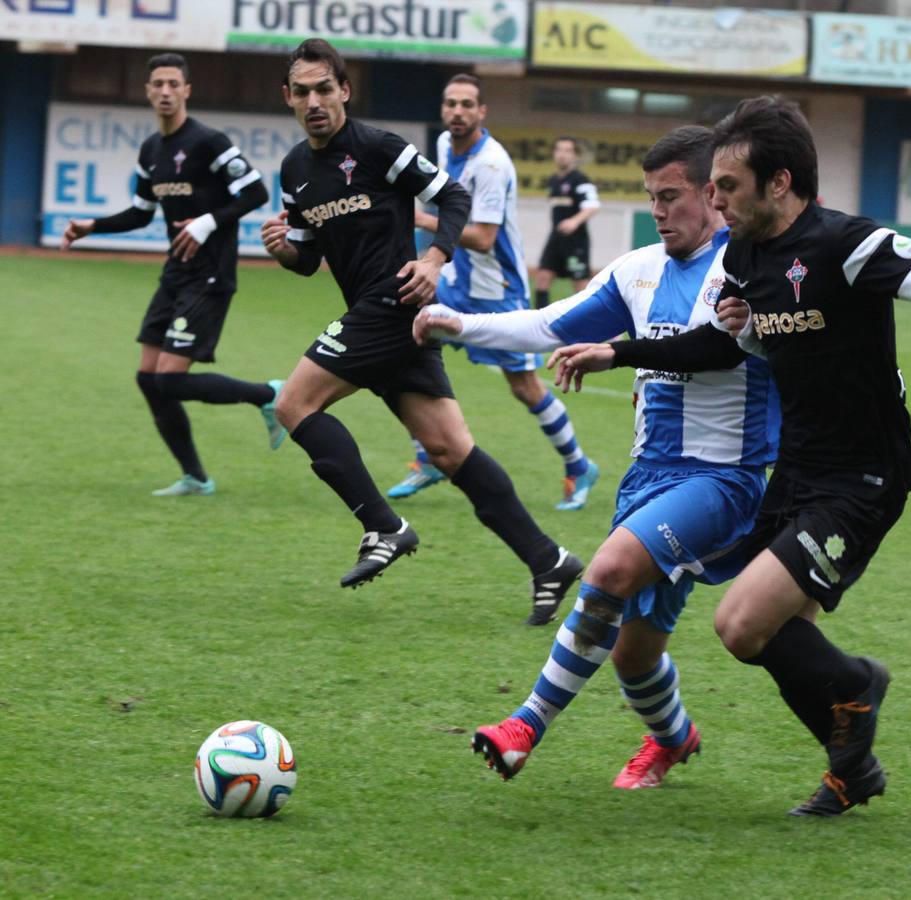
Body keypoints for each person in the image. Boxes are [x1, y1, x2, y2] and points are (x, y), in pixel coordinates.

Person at [549, 96, 911, 815]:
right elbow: (715, 345)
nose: (714, 198)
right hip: (793, 472)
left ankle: (859, 685)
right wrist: (619, 353)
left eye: (727, 186)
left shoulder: (846, 244)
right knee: (781, 634)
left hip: (863, 475)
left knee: (739, 624)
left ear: (780, 182)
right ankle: (850, 772)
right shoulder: (742, 254)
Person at [413, 126, 779, 788]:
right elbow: (551, 322)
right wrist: (461, 324)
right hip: (647, 481)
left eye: (671, 196)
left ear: (710, 193)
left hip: (722, 480)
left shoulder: (748, 270)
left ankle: (524, 725)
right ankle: (673, 738)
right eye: (651, 197)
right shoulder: (638, 269)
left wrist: (619, 352)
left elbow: (715, 347)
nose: (659, 210)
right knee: (633, 657)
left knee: (607, 571)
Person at [259, 39, 582, 621]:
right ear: (288, 97)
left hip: (392, 302)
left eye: (324, 89)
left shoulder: (380, 147)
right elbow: (307, 260)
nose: (314, 101)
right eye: (302, 91)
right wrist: (284, 249)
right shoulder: (295, 171)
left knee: (293, 404)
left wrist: (434, 259)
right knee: (450, 450)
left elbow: (453, 196)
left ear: (344, 91)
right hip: (383, 317)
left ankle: (384, 526)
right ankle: (548, 559)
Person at [61, 52, 280, 496]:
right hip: (175, 274)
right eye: (157, 83)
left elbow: (256, 191)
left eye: (172, 84)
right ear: (148, 91)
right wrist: (93, 226)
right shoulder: (151, 150)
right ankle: (196, 478)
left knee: (170, 380)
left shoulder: (209, 141)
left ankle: (269, 395)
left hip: (211, 275)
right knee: (148, 378)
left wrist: (208, 221)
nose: (164, 91)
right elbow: (142, 214)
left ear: (186, 90)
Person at [387, 75, 599, 513]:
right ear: (443, 109)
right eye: (451, 103)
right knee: (396, 331)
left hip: (498, 288)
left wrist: (422, 222)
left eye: (467, 104)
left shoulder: (492, 164)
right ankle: (427, 456)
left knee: (523, 387)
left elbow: (483, 237)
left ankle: (579, 466)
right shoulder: (446, 144)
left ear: (482, 112)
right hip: (457, 278)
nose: (458, 112)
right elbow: (447, 202)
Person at [533, 136, 601, 308]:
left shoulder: (580, 179)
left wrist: (574, 221)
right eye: (559, 150)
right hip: (555, 238)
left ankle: (590, 323)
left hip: (575, 241)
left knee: (580, 286)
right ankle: (541, 324)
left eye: (567, 150)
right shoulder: (554, 181)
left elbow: (592, 206)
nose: (562, 154)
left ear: (575, 155)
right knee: (542, 277)